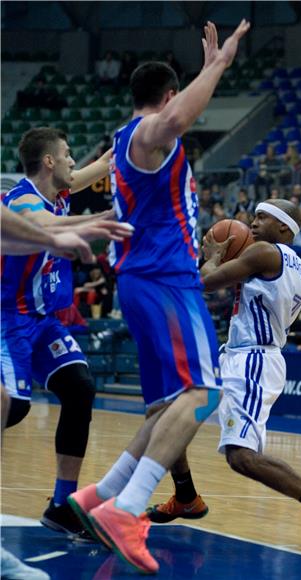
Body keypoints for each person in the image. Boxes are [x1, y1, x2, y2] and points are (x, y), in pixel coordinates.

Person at [68, 20, 250, 575]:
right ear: (168, 95)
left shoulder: (122, 141)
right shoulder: (150, 133)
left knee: (164, 407)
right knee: (202, 393)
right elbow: (173, 120)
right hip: (165, 280)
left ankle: (97, 496)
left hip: (145, 282)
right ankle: (128, 510)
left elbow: (76, 181)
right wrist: (216, 67)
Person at [143, 199, 301, 553]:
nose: (253, 223)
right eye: (253, 217)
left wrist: (212, 254)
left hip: (253, 361)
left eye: (262, 218)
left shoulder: (266, 253)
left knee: (241, 457)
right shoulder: (295, 265)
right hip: (237, 355)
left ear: (285, 228)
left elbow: (204, 283)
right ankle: (185, 495)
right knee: (166, 410)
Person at [1, 127, 133, 541]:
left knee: (79, 388)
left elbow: (93, 170)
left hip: (45, 321)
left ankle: (61, 504)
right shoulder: (23, 198)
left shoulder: (59, 188)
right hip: (10, 320)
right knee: (15, 408)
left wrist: (124, 151)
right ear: (48, 162)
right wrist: (99, 221)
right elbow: (40, 222)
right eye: (68, 154)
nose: (74, 161)